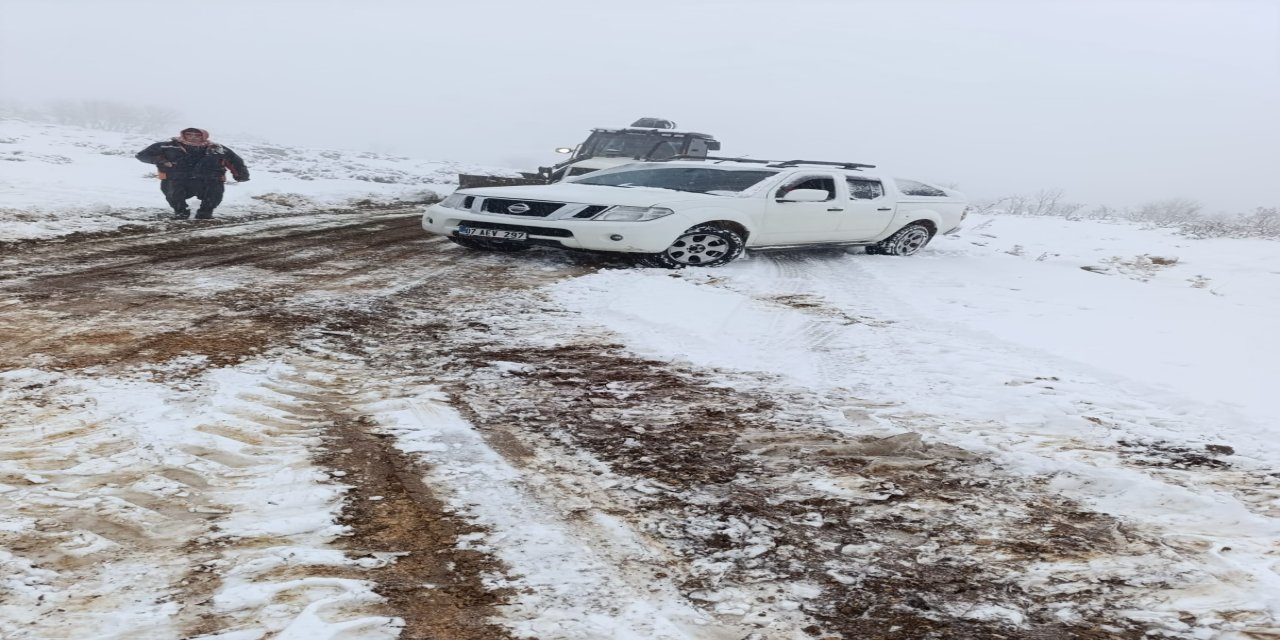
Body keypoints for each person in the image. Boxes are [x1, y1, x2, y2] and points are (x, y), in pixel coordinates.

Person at [135, 128, 249, 220]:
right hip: (176, 178)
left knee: (214, 195)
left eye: (197, 135)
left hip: (210, 179)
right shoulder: (166, 146)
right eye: (189, 134)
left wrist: (241, 175)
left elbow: (235, 161)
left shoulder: (218, 149)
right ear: (183, 135)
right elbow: (143, 155)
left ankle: (205, 213)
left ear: (204, 136)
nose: (193, 137)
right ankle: (180, 213)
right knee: (174, 195)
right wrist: (162, 161)